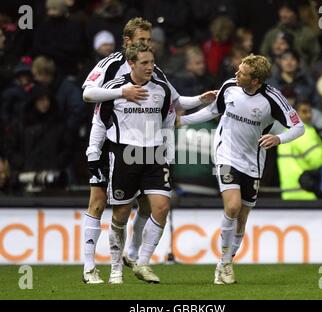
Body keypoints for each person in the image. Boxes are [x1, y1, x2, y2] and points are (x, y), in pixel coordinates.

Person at [81, 17, 216, 284]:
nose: (147, 44)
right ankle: (89, 268)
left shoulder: (155, 72)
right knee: (98, 202)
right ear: (128, 41)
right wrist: (123, 92)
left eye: (149, 40)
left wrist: (200, 100)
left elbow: (174, 103)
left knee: (147, 203)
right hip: (112, 141)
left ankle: (133, 254)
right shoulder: (110, 64)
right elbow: (88, 94)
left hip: (147, 145)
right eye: (142, 40)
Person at [177, 54, 305, 284]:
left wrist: (279, 139)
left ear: (255, 80)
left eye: (242, 73)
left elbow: (299, 127)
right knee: (233, 206)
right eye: (237, 70)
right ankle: (224, 263)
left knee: (242, 217)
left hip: (253, 161)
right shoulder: (229, 87)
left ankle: (226, 261)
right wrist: (183, 121)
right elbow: (213, 111)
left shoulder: (273, 99)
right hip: (226, 153)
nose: (236, 75)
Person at [93, 43, 174, 284]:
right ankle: (116, 267)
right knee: (121, 213)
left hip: (155, 154)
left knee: (161, 208)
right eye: (144, 63)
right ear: (131, 64)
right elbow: (99, 120)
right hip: (124, 153)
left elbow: (169, 120)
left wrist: (167, 153)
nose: (150, 67)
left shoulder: (162, 89)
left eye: (152, 62)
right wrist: (93, 151)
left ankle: (143, 263)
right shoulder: (114, 89)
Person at [277, 97, 322, 200]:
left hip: (289, 192)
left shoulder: (286, 132)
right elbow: (318, 161)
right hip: (308, 192)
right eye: (304, 111)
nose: (309, 115)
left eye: (310, 111)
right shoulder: (303, 132)